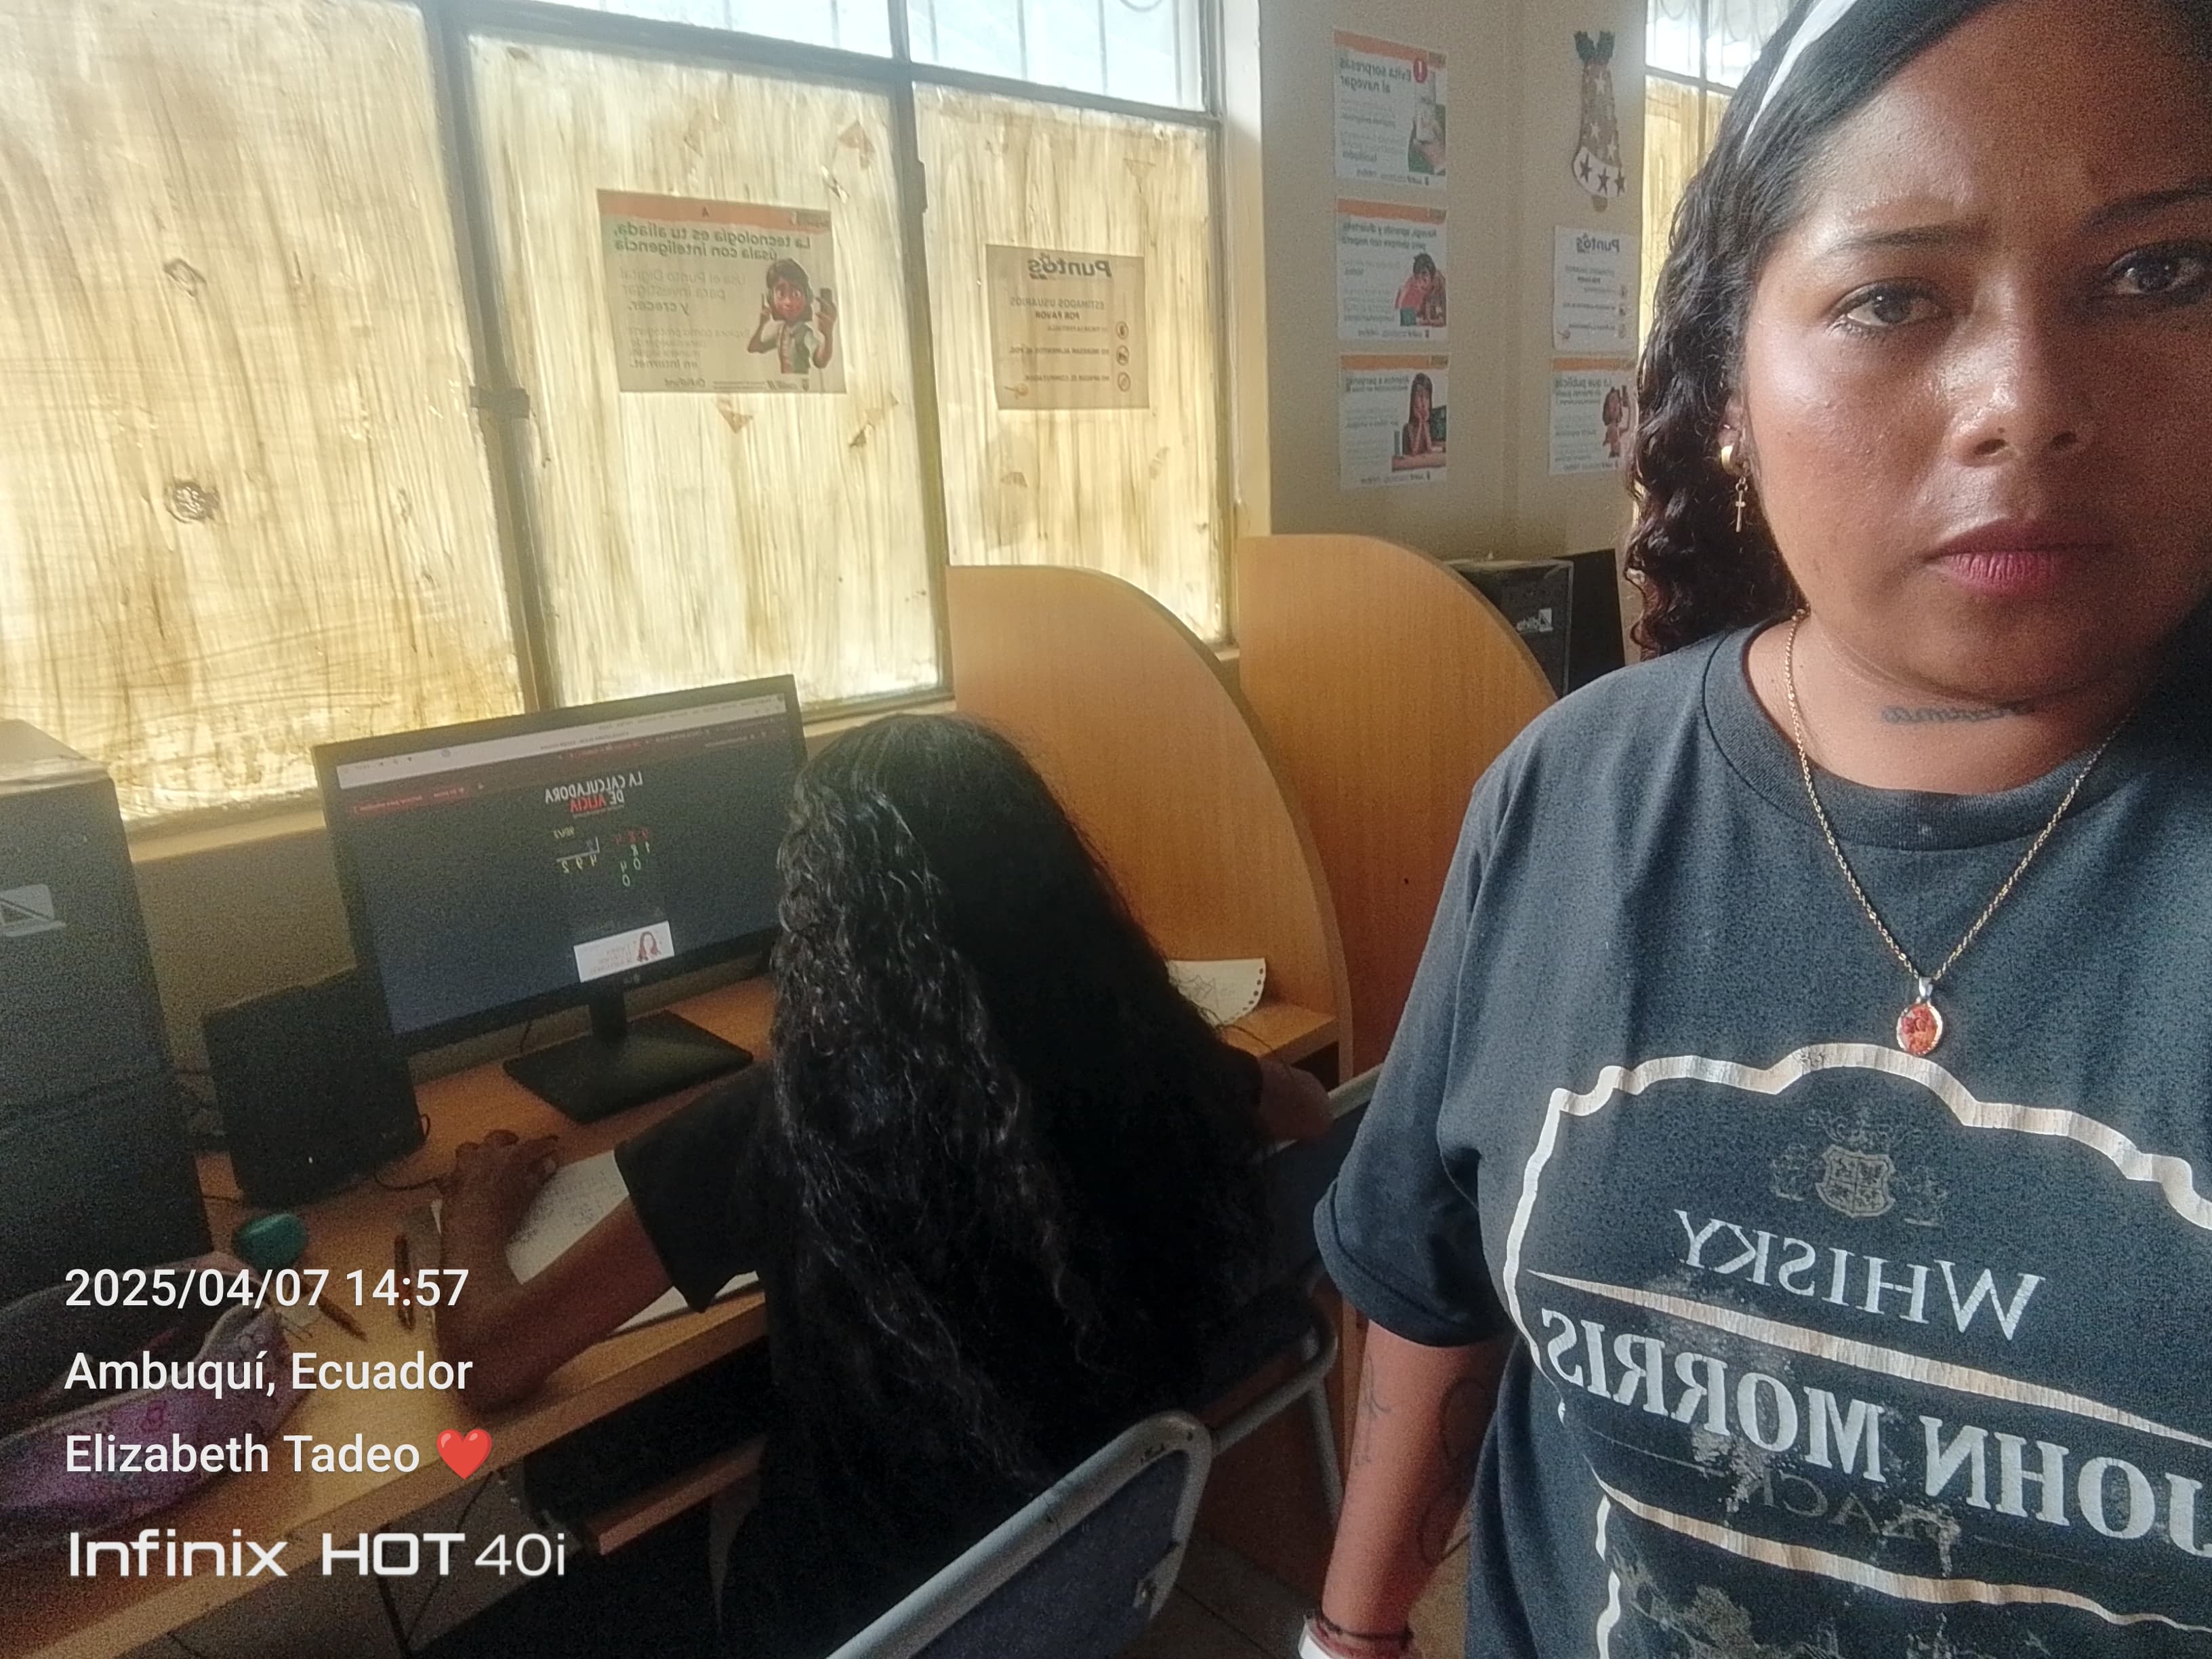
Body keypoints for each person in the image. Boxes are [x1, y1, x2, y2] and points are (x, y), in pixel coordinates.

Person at [1305, 1, 2212, 1655]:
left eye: (2159, 273)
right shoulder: (1571, 792)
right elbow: (1427, 1283)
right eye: (1892, 298)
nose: (2026, 403)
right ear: (1729, 375)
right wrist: (1352, 1630)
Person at [437, 714, 1332, 1658]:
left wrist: (475, 1215)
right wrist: (1177, 1045)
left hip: (844, 1625)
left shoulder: (787, 1119)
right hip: (1071, 1583)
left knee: (614, 1519)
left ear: (827, 920)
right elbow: (1313, 1111)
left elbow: (490, 1362)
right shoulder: (1142, 1058)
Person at [746, 258, 836, 376]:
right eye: (781, 294)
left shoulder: (803, 333)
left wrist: (828, 336)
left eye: (796, 294)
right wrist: (762, 325)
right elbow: (754, 348)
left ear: (807, 296)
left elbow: (821, 361)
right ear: (771, 298)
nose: (788, 302)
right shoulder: (780, 331)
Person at [1397, 253, 1447, 329]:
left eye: (1425, 280)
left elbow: (1443, 321)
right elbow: (1403, 317)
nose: (1422, 285)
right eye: (1418, 280)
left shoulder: (1440, 287)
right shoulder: (1412, 284)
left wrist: (1424, 322)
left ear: (1432, 277)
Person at [1400, 373, 1439, 462]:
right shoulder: (1407, 429)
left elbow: (1430, 450)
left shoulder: (1432, 426)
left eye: (1427, 397)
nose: (1424, 403)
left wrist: (1425, 424)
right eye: (1420, 396)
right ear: (1413, 399)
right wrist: (1421, 423)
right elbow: (1414, 452)